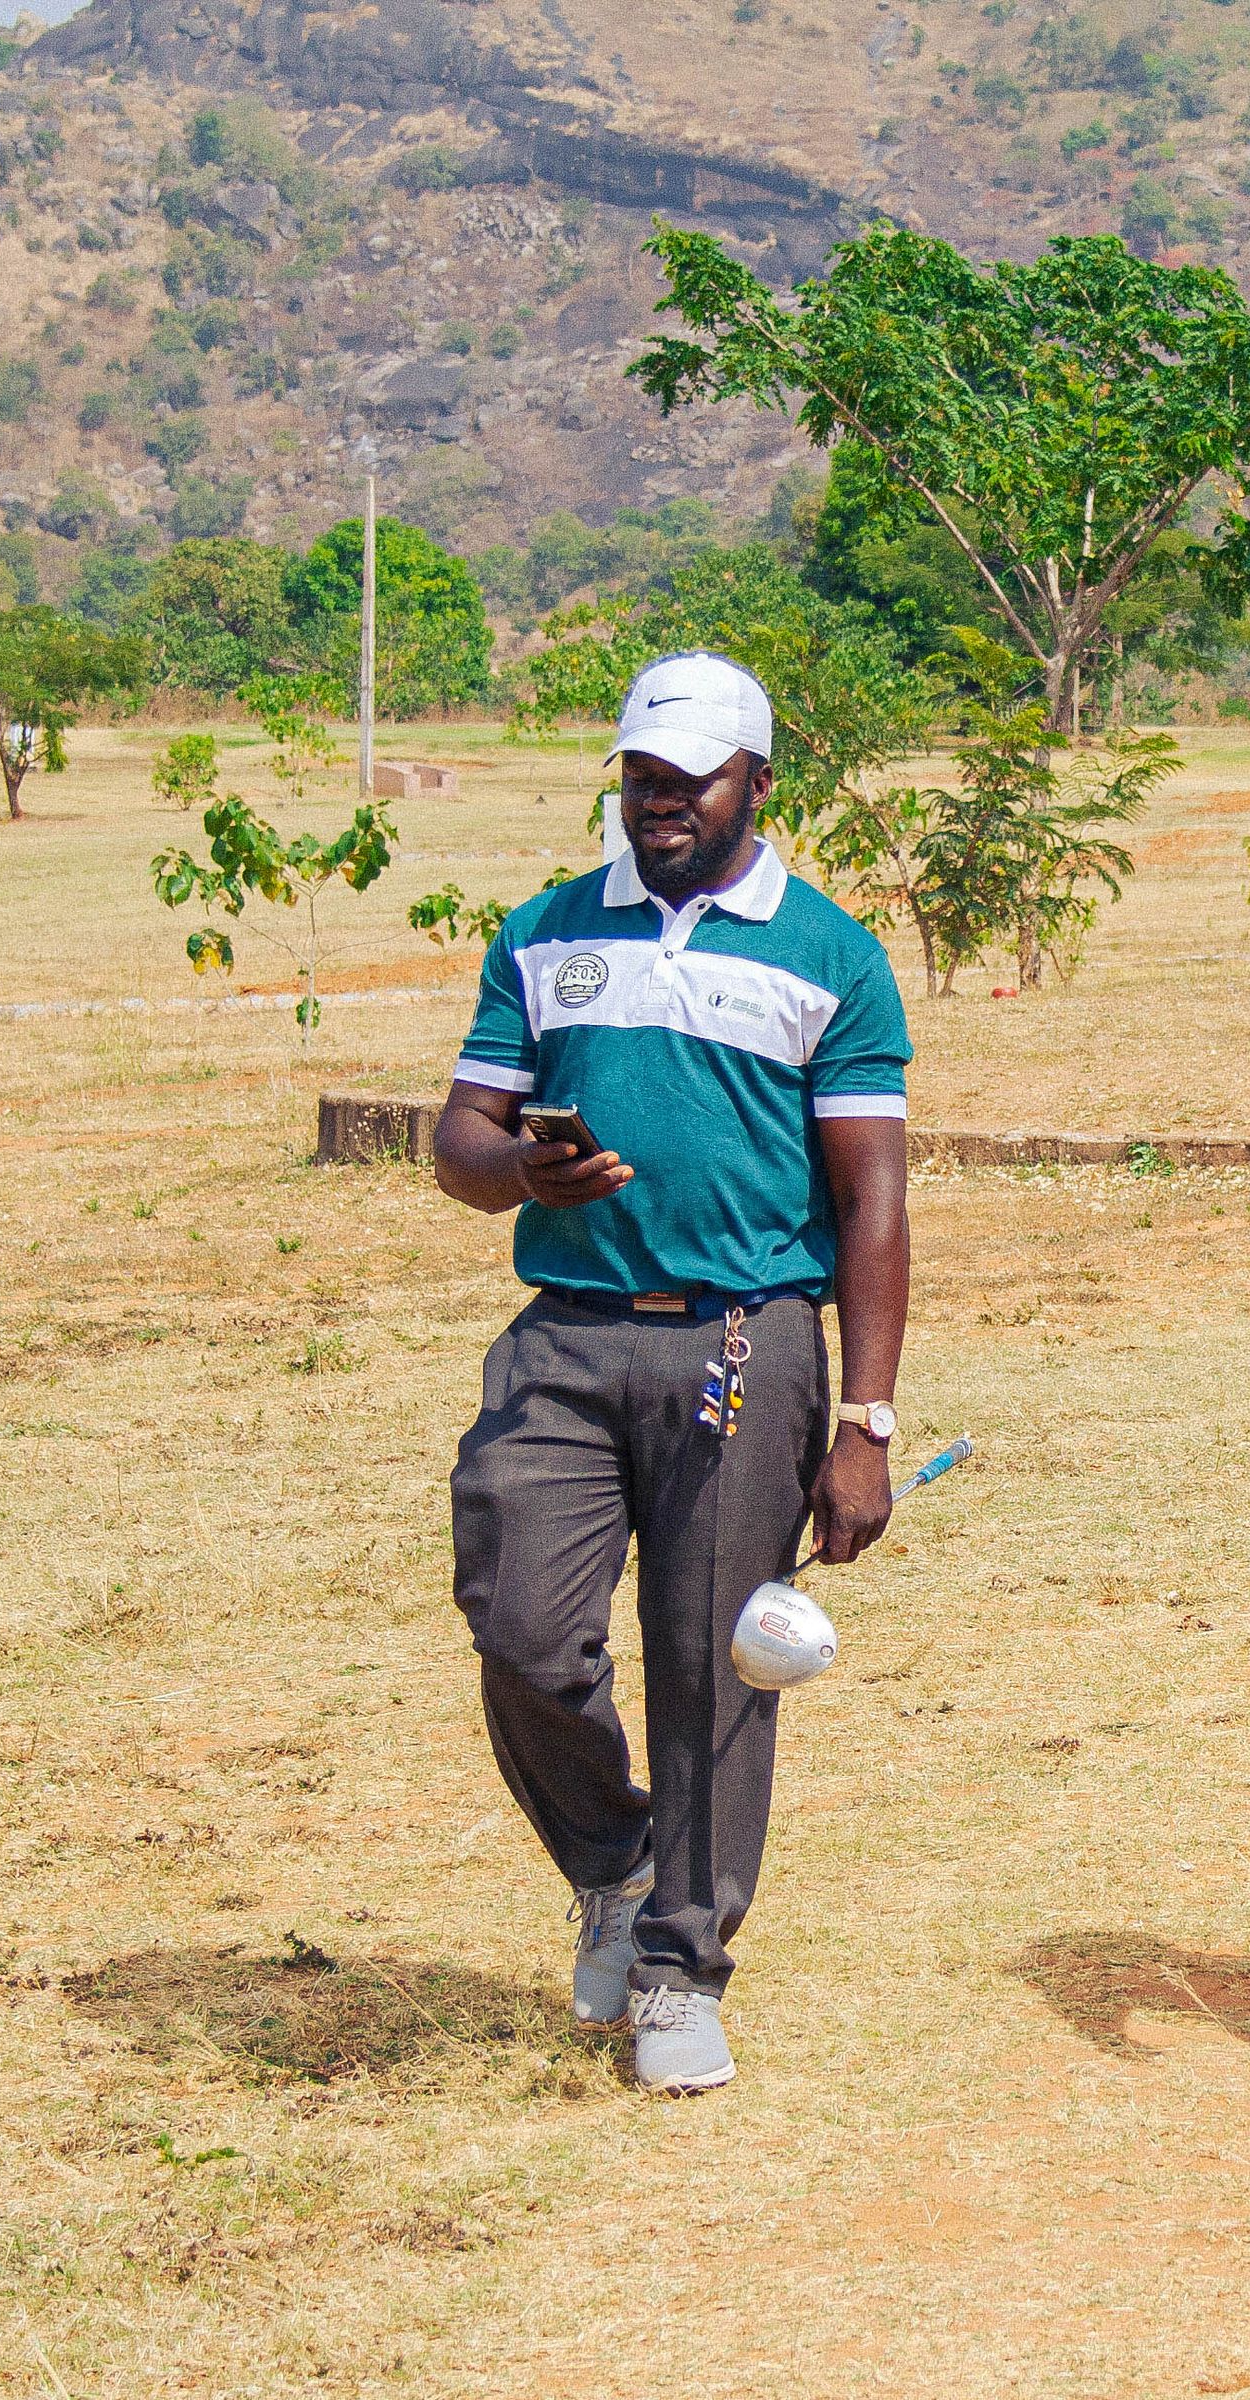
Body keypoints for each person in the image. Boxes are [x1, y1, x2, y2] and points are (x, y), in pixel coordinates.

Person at [433, 651, 915, 2097]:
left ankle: (679, 1970)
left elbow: (875, 1198)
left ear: (758, 785)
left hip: (742, 1344)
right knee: (521, 1629)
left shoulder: (830, 955)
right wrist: (523, 1167)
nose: (656, 804)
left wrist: (865, 1419)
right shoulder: (546, 932)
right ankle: (618, 1860)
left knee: (716, 1668)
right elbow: (458, 1140)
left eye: (687, 781)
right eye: (639, 778)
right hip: (566, 1335)